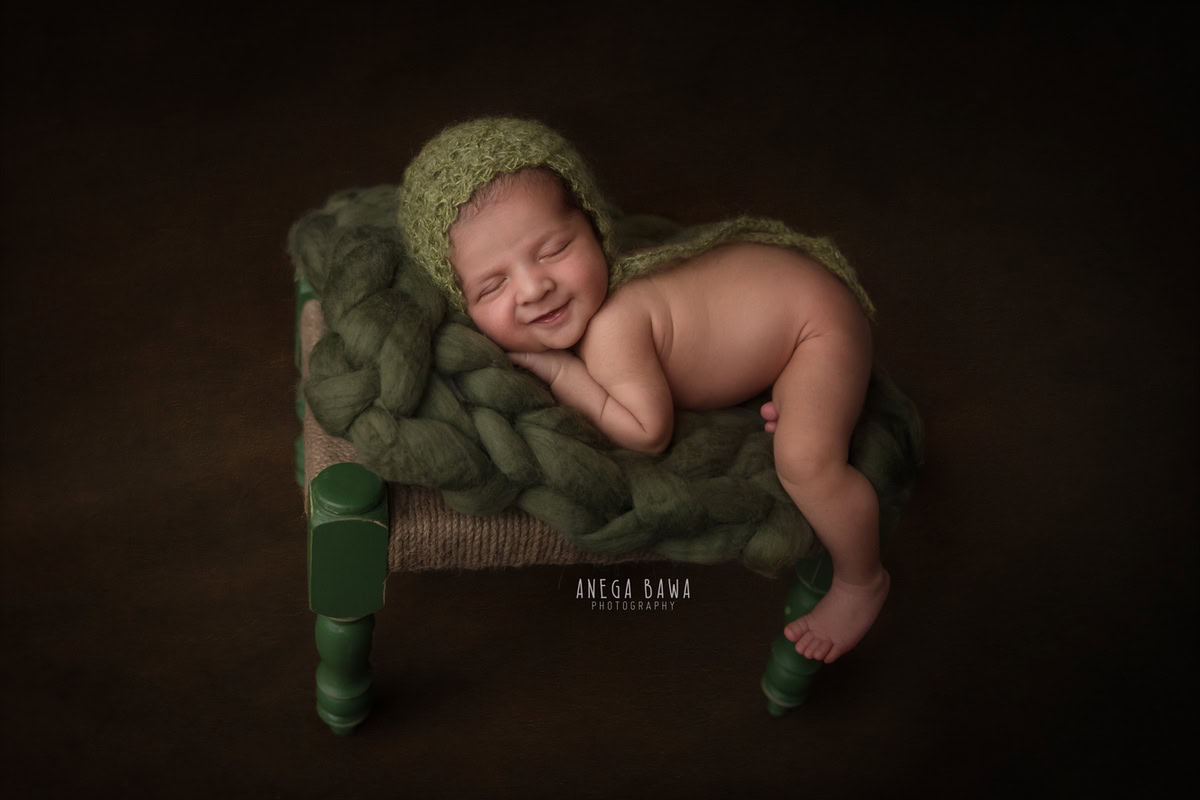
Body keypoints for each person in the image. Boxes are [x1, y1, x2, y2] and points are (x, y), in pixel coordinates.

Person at [398, 118, 887, 664]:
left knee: (804, 461)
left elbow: (648, 433)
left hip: (817, 328)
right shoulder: (586, 307)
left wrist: (561, 374)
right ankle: (781, 382)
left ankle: (861, 580)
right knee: (784, 399)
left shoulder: (613, 327)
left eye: (554, 249)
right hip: (781, 302)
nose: (535, 287)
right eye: (493, 285)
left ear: (594, 228)